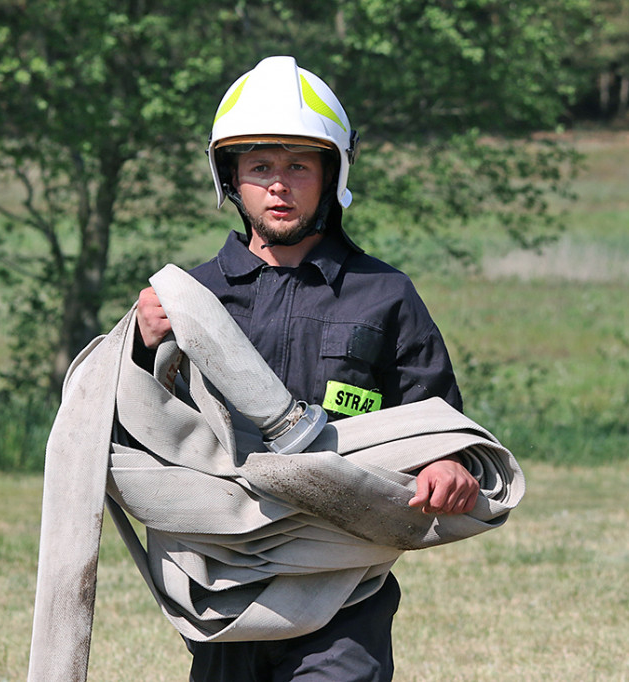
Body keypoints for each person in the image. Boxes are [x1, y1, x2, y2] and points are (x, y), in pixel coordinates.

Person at [134, 55, 479, 682]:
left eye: (299, 165)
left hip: (344, 585)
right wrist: (140, 345)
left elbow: (437, 418)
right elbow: (136, 420)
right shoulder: (188, 299)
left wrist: (447, 465)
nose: (279, 184)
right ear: (230, 178)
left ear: (332, 174)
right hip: (225, 585)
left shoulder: (385, 294)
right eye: (260, 166)